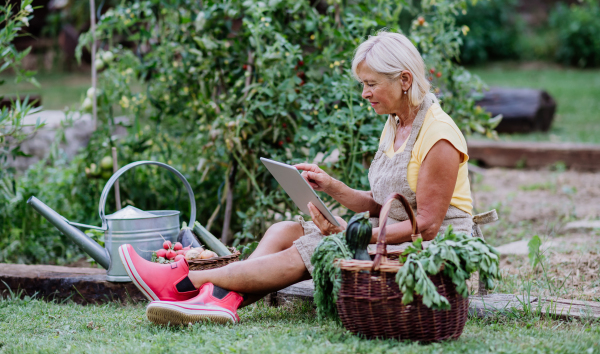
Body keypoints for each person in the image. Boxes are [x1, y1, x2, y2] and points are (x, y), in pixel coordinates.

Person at [119, 31, 474, 325]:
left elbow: (426, 224)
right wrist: (333, 186)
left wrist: (354, 233)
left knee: (319, 245)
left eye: (370, 84)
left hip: (433, 250)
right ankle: (217, 301)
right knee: (284, 231)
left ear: (405, 80)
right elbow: (385, 202)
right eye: (362, 84)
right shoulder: (396, 121)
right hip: (392, 234)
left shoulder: (438, 135)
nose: (364, 93)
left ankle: (183, 282)